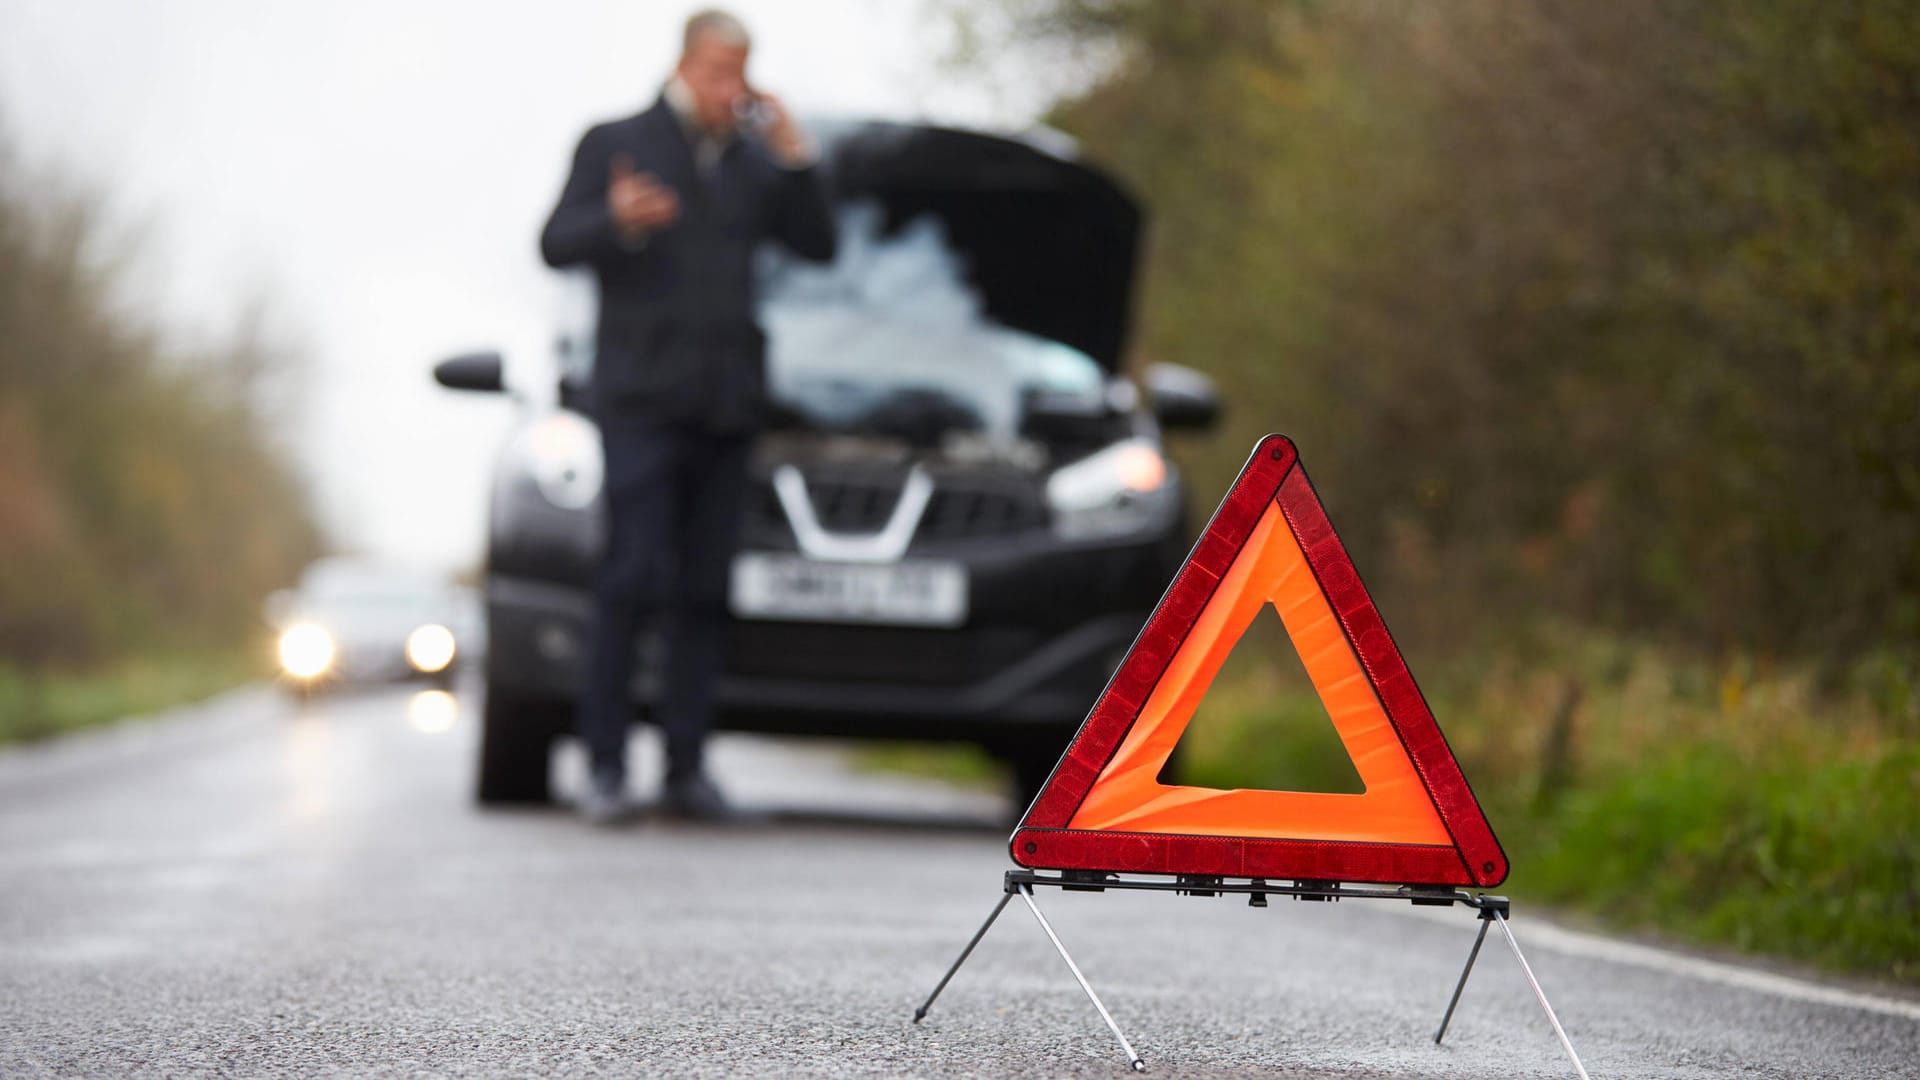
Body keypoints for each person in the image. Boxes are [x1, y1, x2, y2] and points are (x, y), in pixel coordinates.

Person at [540, 8, 836, 823]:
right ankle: (605, 767)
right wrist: (614, 220)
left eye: (740, 74)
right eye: (717, 72)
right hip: (638, 404)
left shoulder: (752, 164)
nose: (728, 89)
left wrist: (797, 156)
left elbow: (819, 245)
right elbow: (554, 242)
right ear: (685, 64)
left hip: (727, 407)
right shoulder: (616, 141)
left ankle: (686, 768)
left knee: (705, 592)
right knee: (631, 577)